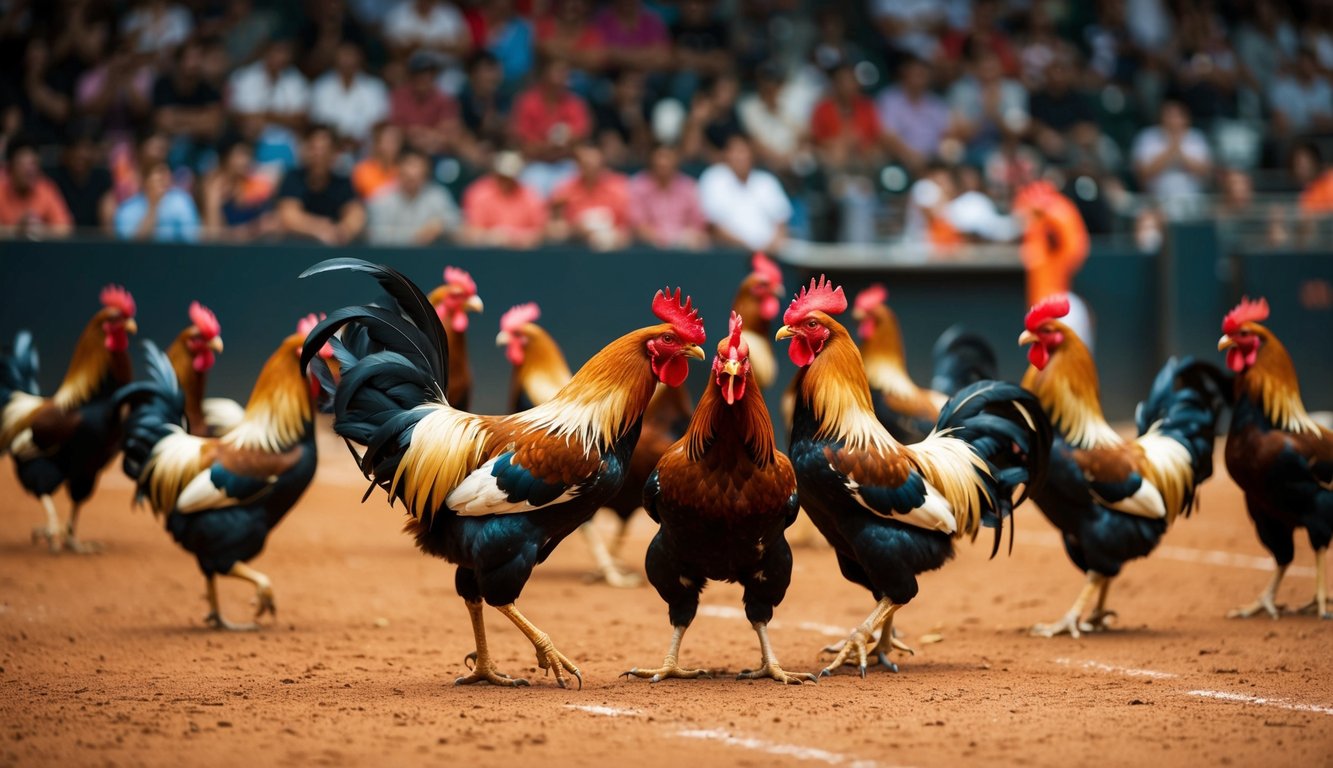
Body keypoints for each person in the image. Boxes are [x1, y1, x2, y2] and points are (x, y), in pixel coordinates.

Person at [1013, 180, 1093, 346]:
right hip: (1043, 305)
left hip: (1059, 306)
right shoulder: (1036, 238)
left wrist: (1045, 212)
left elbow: (1076, 249)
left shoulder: (1056, 220)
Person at [510, 57, 591, 197]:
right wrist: (553, 146)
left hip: (567, 164)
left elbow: (580, 139)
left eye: (566, 72)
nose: (563, 77)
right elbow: (527, 147)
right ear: (544, 75)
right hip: (535, 165)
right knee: (532, 187)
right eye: (558, 72)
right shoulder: (527, 102)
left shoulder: (575, 103)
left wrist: (559, 146)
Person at [698, 134, 791, 251]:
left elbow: (781, 222)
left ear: (752, 154)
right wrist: (749, 248)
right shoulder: (714, 177)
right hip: (729, 254)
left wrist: (773, 245)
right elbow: (713, 226)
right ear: (726, 154)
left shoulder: (767, 181)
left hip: (771, 254)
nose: (739, 157)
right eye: (735, 152)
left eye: (743, 151)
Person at [276, 125, 365, 244]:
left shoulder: (342, 183)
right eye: (313, 148)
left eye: (325, 150)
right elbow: (288, 215)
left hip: (334, 250)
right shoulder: (293, 178)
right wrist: (320, 229)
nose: (319, 155)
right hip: (296, 247)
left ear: (334, 153)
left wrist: (343, 231)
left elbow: (356, 214)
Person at [1131, 98, 1213, 215]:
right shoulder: (1147, 137)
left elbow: (1206, 173)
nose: (1173, 121)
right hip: (1156, 204)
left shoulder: (1196, 137)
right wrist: (1171, 148)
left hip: (1194, 205)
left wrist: (1179, 150)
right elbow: (1143, 174)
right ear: (1160, 118)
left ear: (1186, 119)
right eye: (1169, 115)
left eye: (1177, 116)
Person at [152, 40, 224, 171]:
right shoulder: (164, 84)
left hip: (201, 146)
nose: (194, 63)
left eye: (198, 58)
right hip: (170, 143)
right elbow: (164, 122)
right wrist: (199, 118)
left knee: (211, 160)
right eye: (190, 58)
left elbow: (213, 126)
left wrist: (178, 117)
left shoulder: (208, 86)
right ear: (179, 61)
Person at [367, 150, 461, 245]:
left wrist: (441, 226)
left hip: (430, 256)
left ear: (425, 173)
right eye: (407, 173)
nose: (411, 173)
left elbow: (457, 225)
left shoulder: (438, 195)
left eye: (417, 169)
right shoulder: (382, 197)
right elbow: (376, 236)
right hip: (388, 257)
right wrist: (417, 236)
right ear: (398, 170)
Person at [549, 143, 631, 250]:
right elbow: (553, 226)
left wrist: (611, 235)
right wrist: (574, 229)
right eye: (586, 164)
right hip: (574, 248)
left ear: (602, 164)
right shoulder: (564, 188)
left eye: (594, 164)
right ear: (578, 165)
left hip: (612, 248)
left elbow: (629, 228)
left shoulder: (618, 186)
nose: (590, 168)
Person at [460, 150, 548, 248]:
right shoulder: (479, 193)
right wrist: (491, 237)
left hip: (523, 255)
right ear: (495, 173)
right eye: (502, 177)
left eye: (509, 177)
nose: (506, 181)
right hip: (487, 254)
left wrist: (513, 237)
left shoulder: (530, 194)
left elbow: (542, 231)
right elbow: (471, 231)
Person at [875, 56, 950, 168]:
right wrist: (911, 156)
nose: (919, 79)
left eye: (923, 75)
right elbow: (887, 136)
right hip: (899, 159)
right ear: (905, 75)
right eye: (916, 74)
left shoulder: (936, 103)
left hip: (933, 159)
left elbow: (946, 133)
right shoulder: (890, 99)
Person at [627, 143, 708, 249]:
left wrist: (687, 237)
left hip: (684, 251)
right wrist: (667, 241)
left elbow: (698, 224)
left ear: (676, 160)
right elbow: (637, 225)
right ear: (651, 159)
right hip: (648, 251)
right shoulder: (638, 186)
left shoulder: (688, 187)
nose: (663, 162)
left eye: (668, 157)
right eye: (659, 157)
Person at [309, 41, 389, 146]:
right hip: (331, 148)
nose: (347, 61)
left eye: (351, 55)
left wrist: (357, 140)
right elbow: (318, 122)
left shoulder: (375, 88)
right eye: (343, 55)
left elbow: (380, 122)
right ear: (334, 57)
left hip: (366, 148)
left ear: (360, 57)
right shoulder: (321, 87)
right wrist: (340, 140)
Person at [201, 138, 279, 242]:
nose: (245, 161)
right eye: (239, 156)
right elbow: (212, 234)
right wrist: (248, 231)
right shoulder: (214, 188)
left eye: (248, 155)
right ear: (226, 158)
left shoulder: (258, 185)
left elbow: (271, 225)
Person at [389, 51, 464, 157]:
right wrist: (413, 134)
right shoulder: (398, 96)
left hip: (438, 152)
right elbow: (395, 129)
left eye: (429, 74)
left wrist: (425, 134)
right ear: (411, 76)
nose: (424, 78)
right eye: (419, 74)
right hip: (405, 152)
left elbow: (451, 133)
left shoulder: (444, 99)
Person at [737, 61, 807, 173]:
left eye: (775, 82)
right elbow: (753, 142)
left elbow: (803, 136)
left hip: (792, 160)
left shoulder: (789, 103)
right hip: (765, 163)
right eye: (767, 81)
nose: (770, 86)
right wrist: (778, 159)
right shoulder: (748, 106)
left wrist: (790, 157)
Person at [0, 139, 73, 237]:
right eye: (22, 164)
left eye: (33, 163)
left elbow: (65, 229)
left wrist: (40, 230)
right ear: (10, 167)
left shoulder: (46, 189)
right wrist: (18, 230)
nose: (29, 170)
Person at [114, 160, 200, 242]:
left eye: (164, 175)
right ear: (144, 180)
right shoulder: (126, 210)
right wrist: (153, 205)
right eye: (157, 179)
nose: (162, 182)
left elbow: (192, 240)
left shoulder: (182, 201)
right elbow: (130, 249)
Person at [47, 129, 116, 233]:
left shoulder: (104, 179)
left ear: (94, 152)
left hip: (96, 242)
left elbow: (108, 225)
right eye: (75, 148)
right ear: (66, 152)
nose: (80, 154)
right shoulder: (53, 180)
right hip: (62, 241)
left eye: (86, 148)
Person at [353, 122, 404, 200]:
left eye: (397, 141)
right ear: (377, 143)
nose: (393, 145)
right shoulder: (362, 170)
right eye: (389, 140)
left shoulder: (404, 169)